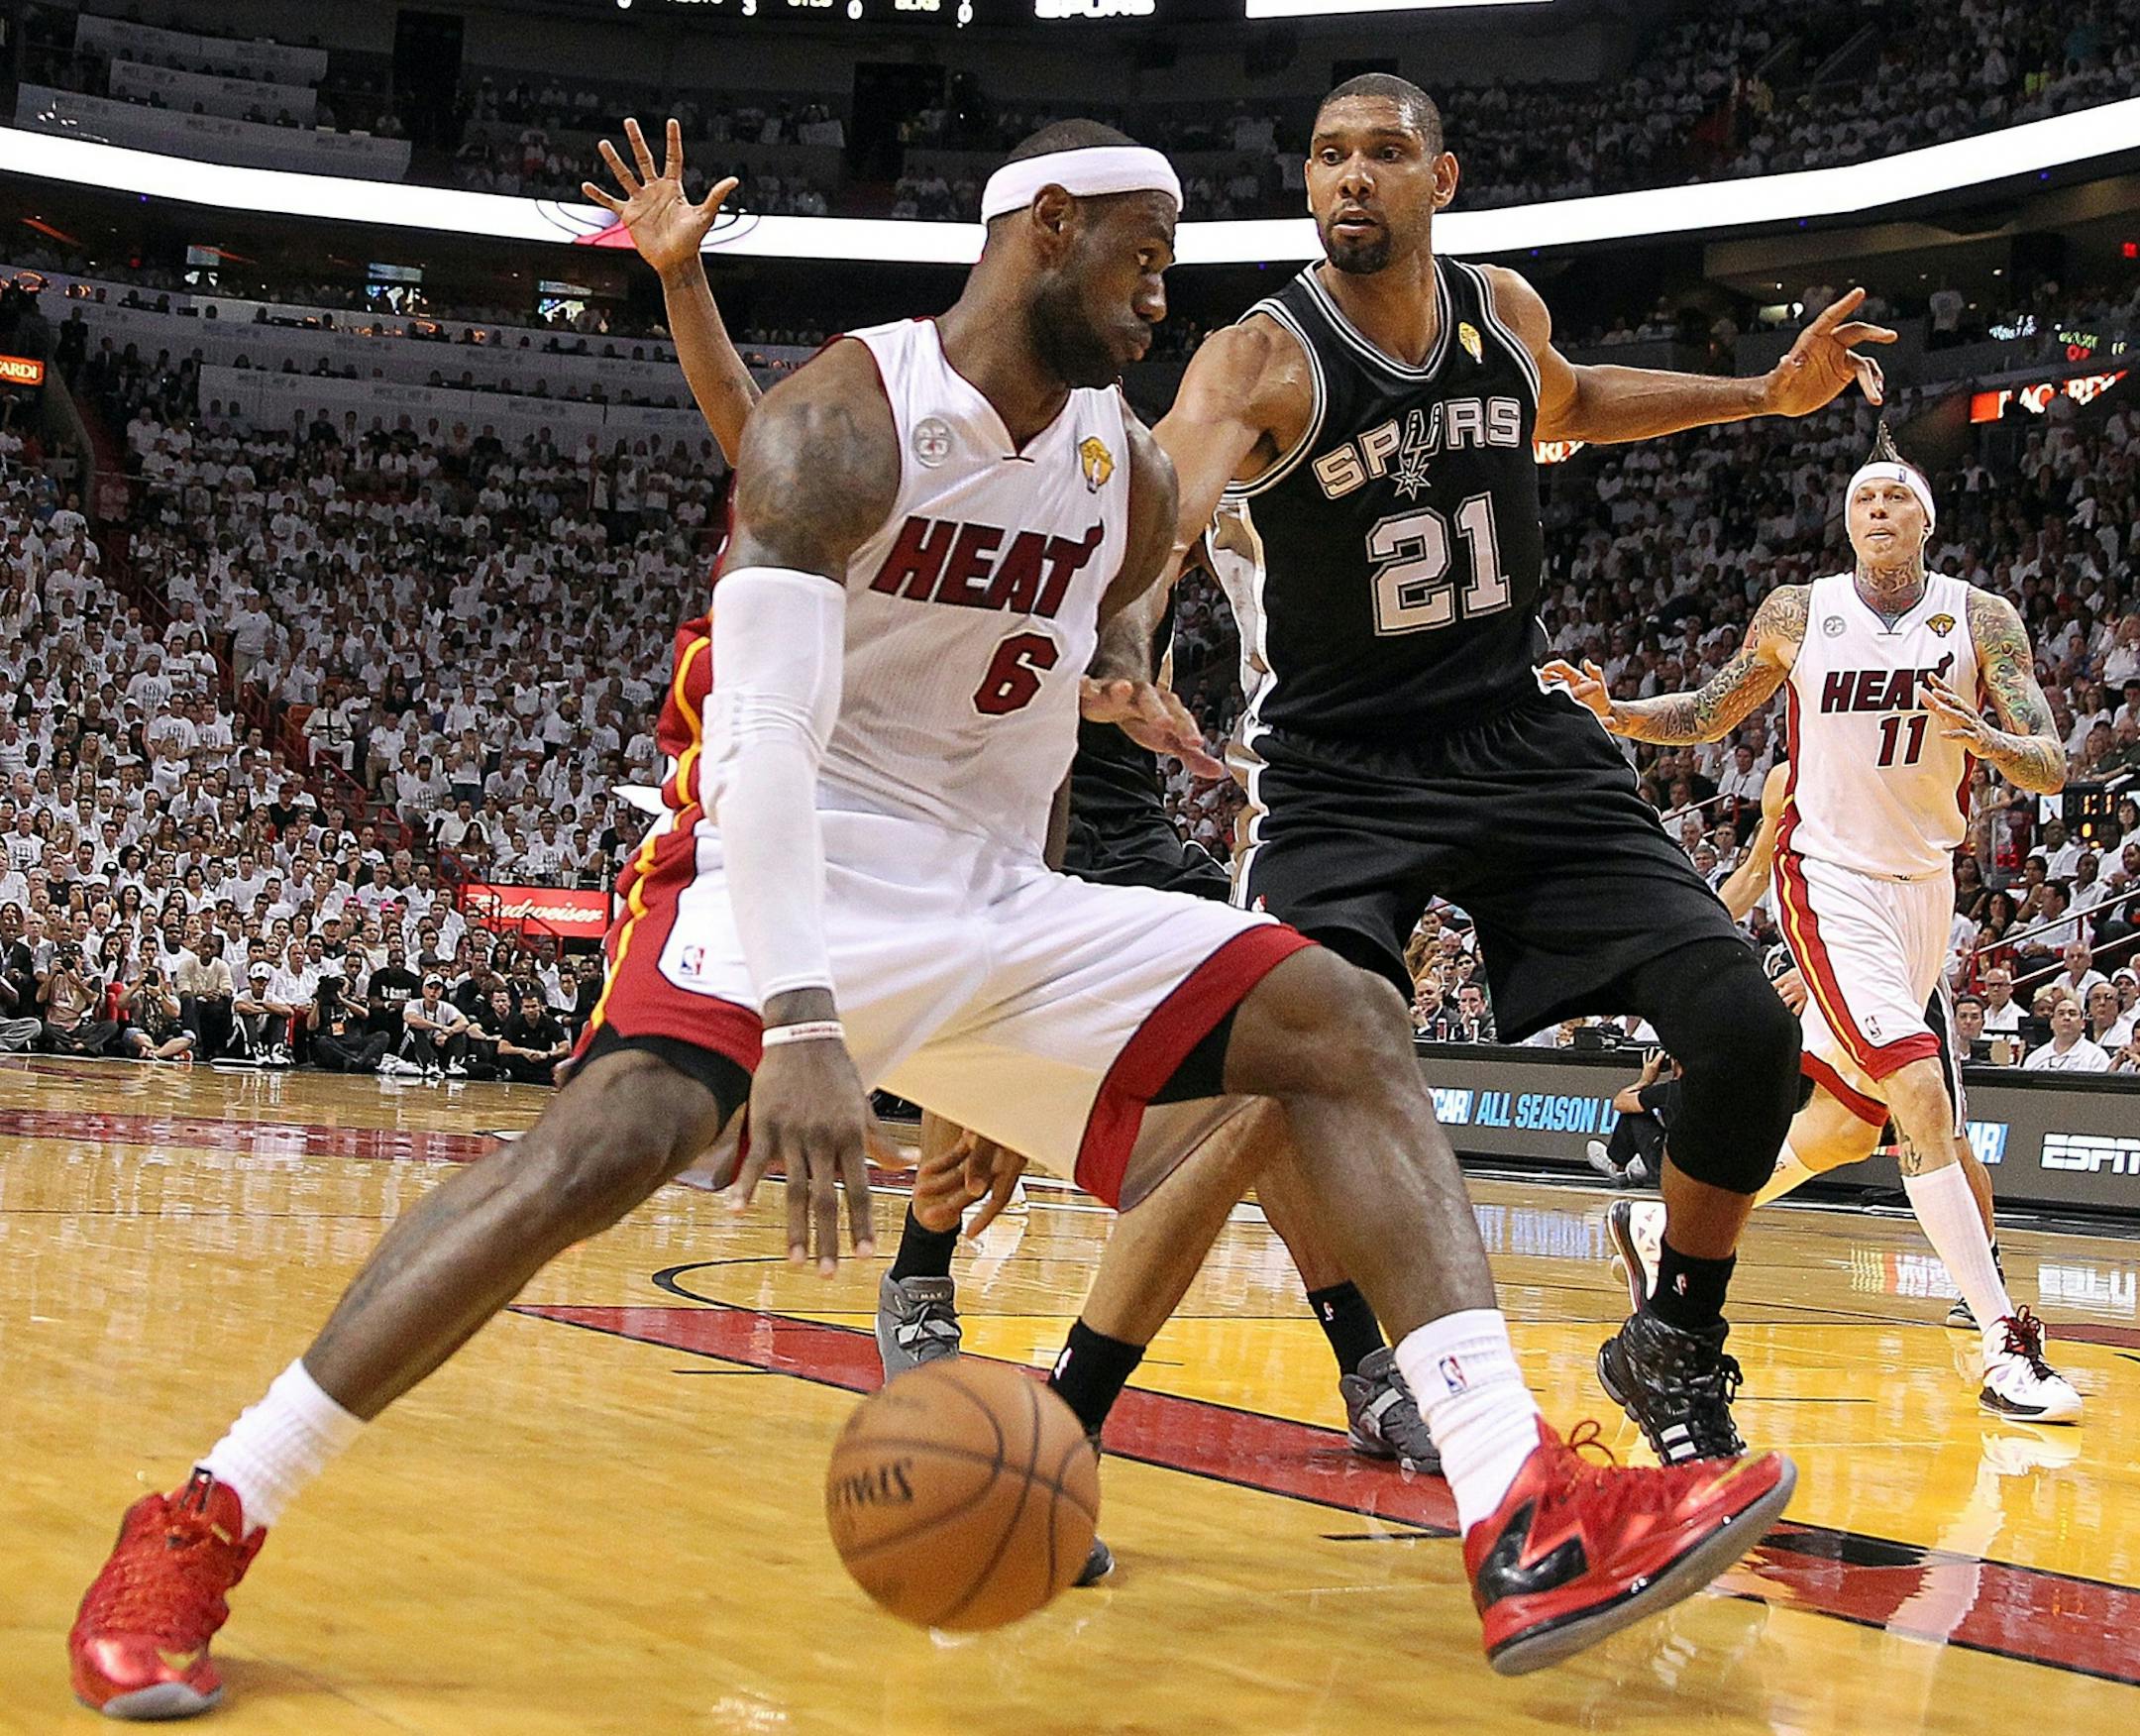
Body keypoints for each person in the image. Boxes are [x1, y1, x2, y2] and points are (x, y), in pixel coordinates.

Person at [70, 117, 1794, 1719]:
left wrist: (1111, 704)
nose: (1162, 287)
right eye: (1143, 251)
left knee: (1340, 1022)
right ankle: (209, 1507)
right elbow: (756, 743)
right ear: (1046, 228)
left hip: (988, 890)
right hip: (778, 867)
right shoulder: (847, 413)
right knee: (591, 1159)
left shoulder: (1116, 468)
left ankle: (1522, 1506)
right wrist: (813, 1027)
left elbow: (1101, 627)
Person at [582, 119, 1439, 1497]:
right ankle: (924, 1282)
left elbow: (1119, 622)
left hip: (1091, 802)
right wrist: (684, 282)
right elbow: (762, 439)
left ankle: (1355, 1361)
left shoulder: (1148, 480)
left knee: (1279, 1072)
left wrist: (1128, 678)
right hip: (933, 807)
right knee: (977, 1096)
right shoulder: (913, 434)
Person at [1156, 74, 1891, 1465]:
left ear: (1444, 179)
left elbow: (1573, 401)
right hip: (1336, 768)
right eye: (1328, 156)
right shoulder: (1261, 361)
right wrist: (1123, 632)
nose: (1350, 177)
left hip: (1511, 729)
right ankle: (1366, 1360)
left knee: (1746, 1036)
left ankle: (1673, 1333)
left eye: (1384, 153)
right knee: (1302, 1066)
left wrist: (1761, 395)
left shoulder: (1501, 313)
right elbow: (1157, 496)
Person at [1551, 425, 2081, 1422]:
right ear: (1847, 523)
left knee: (1841, 1130)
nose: (1878, 509)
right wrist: (1616, 710)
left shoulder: (1983, 619)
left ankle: (1651, 1223)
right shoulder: (1804, 612)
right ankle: (2006, 1346)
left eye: (1896, 496)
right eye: (1863, 499)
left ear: (1927, 515)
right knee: (1922, 1094)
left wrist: (1994, 741)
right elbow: (1712, 710)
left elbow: (2051, 761)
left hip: (1925, 890)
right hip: (1829, 879)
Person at [1584, 1048, 1675, 1187]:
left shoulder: (1670, 1090)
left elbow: (1620, 1103)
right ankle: (1643, 1165)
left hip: (1674, 1173)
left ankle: (1617, 1166)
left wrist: (1645, 1081)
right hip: (1710, 1173)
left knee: (1634, 1113)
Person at [399, 971, 471, 1080]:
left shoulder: (446, 1007)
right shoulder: (413, 1004)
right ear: (423, 989)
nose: (433, 991)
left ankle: (454, 1064)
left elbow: (464, 1022)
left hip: (436, 1046)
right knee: (414, 1029)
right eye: (430, 987)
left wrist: (447, 1033)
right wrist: (440, 1027)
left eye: (437, 988)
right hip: (412, 1048)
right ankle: (429, 1063)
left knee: (459, 1031)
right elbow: (411, 1019)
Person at [2024, 993, 2111, 1072]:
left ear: (2083, 1023)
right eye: (2061, 1014)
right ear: (2052, 1023)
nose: (2066, 1017)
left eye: (2072, 1014)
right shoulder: (2035, 1058)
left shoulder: (2097, 1057)